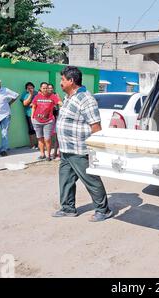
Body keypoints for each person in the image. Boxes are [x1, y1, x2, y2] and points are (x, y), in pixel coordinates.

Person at [53, 66, 112, 222]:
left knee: (91, 180)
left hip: (79, 149)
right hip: (66, 149)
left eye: (63, 80)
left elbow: (96, 126)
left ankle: (103, 210)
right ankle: (67, 208)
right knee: (65, 180)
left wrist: (97, 150)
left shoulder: (86, 98)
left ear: (71, 81)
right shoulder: (69, 97)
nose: (60, 83)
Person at [31, 82, 62, 161]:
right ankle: (42, 154)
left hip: (48, 121)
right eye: (43, 88)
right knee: (40, 138)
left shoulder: (52, 96)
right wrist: (32, 117)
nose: (45, 89)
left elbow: (59, 102)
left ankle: (48, 155)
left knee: (47, 139)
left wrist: (65, 104)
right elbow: (34, 106)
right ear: (41, 89)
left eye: (46, 88)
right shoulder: (37, 97)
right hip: (37, 121)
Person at [20, 82, 38, 149]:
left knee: (38, 129)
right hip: (29, 114)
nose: (30, 89)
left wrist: (34, 104)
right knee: (31, 129)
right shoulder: (25, 94)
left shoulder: (37, 93)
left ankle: (38, 144)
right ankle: (32, 144)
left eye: (32, 88)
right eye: (28, 88)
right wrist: (30, 94)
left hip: (38, 115)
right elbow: (25, 103)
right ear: (26, 89)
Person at [48, 84, 61, 160]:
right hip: (48, 119)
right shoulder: (44, 96)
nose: (50, 89)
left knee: (56, 137)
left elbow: (60, 104)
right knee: (49, 137)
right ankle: (51, 153)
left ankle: (57, 152)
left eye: (51, 88)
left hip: (56, 117)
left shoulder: (56, 95)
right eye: (48, 88)